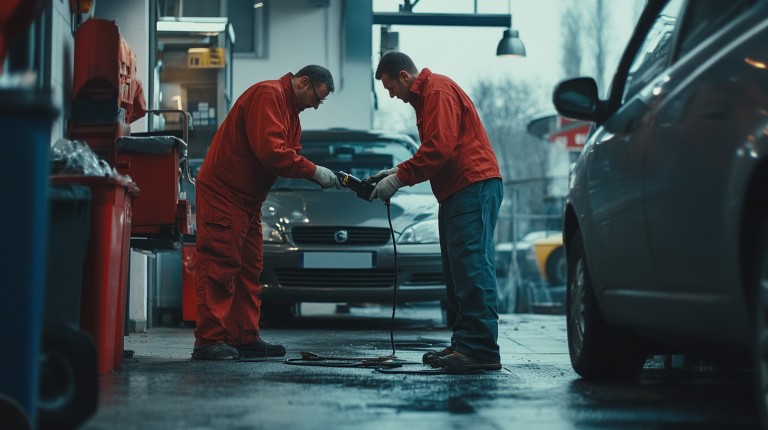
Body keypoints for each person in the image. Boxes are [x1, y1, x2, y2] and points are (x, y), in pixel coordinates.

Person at [192, 65, 340, 360]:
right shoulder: (268, 95)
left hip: (248, 200)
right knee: (221, 263)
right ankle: (208, 340)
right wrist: (314, 171)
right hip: (225, 193)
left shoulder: (290, 114)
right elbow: (272, 154)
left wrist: (308, 169)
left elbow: (290, 154)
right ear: (303, 82)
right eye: (316, 98)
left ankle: (243, 336)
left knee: (249, 267)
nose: (315, 105)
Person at [370, 51, 504, 371]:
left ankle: (480, 349)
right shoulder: (428, 97)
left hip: (472, 187)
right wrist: (394, 171)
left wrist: (399, 179)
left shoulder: (437, 92)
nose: (392, 96)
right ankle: (464, 344)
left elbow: (438, 148)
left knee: (472, 268)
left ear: (404, 76)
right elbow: (434, 147)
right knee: (457, 272)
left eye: (391, 88)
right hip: (458, 191)